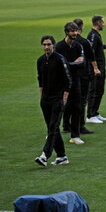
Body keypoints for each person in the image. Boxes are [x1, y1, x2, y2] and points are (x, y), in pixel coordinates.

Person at [34, 35, 72, 167]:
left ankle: (45, 156)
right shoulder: (40, 61)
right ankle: (62, 156)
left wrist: (64, 98)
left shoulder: (60, 59)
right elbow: (40, 79)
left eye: (49, 44)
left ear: (53, 45)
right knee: (53, 128)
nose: (46, 47)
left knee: (52, 127)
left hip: (57, 99)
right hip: (45, 100)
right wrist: (42, 96)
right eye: (44, 44)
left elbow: (68, 79)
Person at [55, 22, 85, 145]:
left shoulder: (78, 46)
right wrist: (73, 63)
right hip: (62, 82)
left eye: (76, 30)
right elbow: (58, 65)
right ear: (67, 32)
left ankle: (75, 135)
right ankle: (53, 133)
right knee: (58, 108)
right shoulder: (59, 47)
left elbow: (82, 62)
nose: (75, 33)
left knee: (77, 108)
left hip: (75, 81)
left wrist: (68, 63)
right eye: (72, 31)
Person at [71, 18, 99, 134]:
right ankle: (80, 126)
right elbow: (92, 57)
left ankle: (67, 125)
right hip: (83, 75)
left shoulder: (66, 43)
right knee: (82, 101)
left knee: (70, 101)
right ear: (80, 28)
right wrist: (96, 69)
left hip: (71, 75)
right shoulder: (83, 42)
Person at [87, 15, 106, 124]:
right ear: (98, 22)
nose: (104, 24)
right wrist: (95, 68)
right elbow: (90, 52)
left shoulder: (96, 35)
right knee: (94, 90)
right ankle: (90, 115)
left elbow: (98, 47)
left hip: (100, 67)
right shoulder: (92, 35)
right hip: (95, 69)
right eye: (103, 22)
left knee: (100, 90)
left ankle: (95, 112)